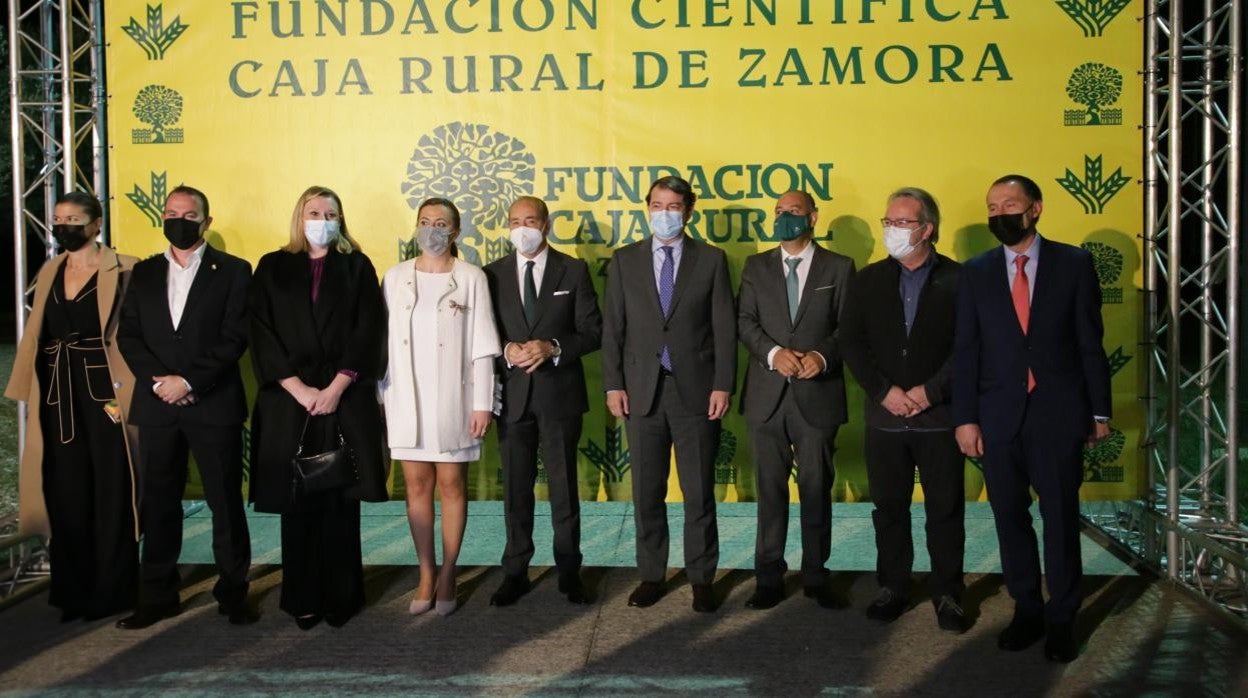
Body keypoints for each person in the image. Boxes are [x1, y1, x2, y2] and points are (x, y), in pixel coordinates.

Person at [952, 174, 1112, 663]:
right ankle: (1027, 607)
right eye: (992, 206)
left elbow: (1090, 341)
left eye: (1010, 204)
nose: (1000, 213)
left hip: (1058, 414)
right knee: (1009, 518)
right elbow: (966, 351)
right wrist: (965, 418)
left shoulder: (1074, 263)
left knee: (1060, 518)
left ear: (1036, 208)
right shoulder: (975, 272)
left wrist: (1099, 410)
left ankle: (1063, 616)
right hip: (998, 416)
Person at [115, 186, 256, 629]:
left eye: (189, 214)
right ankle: (158, 595)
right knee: (158, 502)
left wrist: (190, 381)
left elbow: (235, 336)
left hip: (213, 405)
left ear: (206, 222)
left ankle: (233, 594)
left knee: (225, 503)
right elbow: (129, 335)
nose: (179, 220)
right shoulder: (144, 272)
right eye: (171, 212)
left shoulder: (234, 271)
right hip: (158, 406)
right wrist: (164, 384)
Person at [247, 186, 388, 630]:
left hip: (342, 400)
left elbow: (369, 330)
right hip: (289, 402)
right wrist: (299, 388)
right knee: (297, 505)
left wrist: (335, 387)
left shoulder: (357, 266)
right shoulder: (272, 266)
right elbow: (261, 331)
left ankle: (342, 596)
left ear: (341, 220)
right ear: (299, 217)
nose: (321, 218)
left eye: (330, 212)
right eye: (314, 211)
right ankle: (301, 597)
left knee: (340, 502)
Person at [601, 176, 736, 613]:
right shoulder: (624, 261)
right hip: (641, 392)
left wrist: (723, 384)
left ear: (689, 211)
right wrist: (613, 383)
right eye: (658, 205)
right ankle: (652, 574)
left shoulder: (712, 260)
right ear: (647, 208)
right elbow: (613, 330)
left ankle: (701, 578)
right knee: (646, 492)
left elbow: (724, 329)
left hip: (695, 392)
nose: (665, 213)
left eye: (674, 205)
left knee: (698, 492)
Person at [4, 192, 139, 622]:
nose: (64, 226)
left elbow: (137, 334)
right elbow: (38, 335)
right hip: (57, 395)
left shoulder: (127, 269)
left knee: (112, 489)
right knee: (66, 491)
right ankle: (72, 588)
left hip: (106, 395)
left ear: (96, 224)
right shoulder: (49, 270)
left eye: (73, 219)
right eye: (58, 219)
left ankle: (113, 589)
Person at [841, 187, 966, 631]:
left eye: (902, 223)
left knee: (945, 510)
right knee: (889, 508)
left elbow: (969, 346)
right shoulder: (868, 279)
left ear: (927, 229)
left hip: (939, 417)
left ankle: (948, 591)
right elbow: (852, 342)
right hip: (884, 418)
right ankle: (893, 585)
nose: (892, 230)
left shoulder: (959, 279)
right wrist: (884, 392)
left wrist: (930, 393)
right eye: (887, 222)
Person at [380, 197, 501, 617]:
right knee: (415, 488)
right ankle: (426, 572)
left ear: (456, 232)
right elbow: (385, 346)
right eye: (425, 222)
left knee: (451, 486)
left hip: (455, 400)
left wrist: (483, 403)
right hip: (406, 398)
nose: (432, 229)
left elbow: (484, 344)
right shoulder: (394, 278)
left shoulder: (470, 278)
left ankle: (449, 571)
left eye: (441, 223)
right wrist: (383, 400)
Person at [737, 190, 855, 611]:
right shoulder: (756, 267)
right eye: (779, 213)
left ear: (813, 218)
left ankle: (816, 576)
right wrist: (773, 354)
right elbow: (745, 321)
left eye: (794, 212)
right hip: (767, 396)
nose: (785, 218)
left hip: (817, 395)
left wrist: (821, 358)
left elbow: (849, 328)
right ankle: (768, 577)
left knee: (816, 487)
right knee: (769, 491)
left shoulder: (839, 268)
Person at [483, 196, 602, 607]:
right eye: (515, 221)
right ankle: (515, 570)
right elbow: (483, 332)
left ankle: (569, 570)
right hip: (513, 398)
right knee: (516, 487)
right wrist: (507, 348)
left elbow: (592, 331)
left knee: (564, 486)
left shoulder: (574, 269)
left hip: (559, 396)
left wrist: (551, 346)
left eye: (530, 220)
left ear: (546, 225)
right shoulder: (491, 274)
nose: (522, 228)